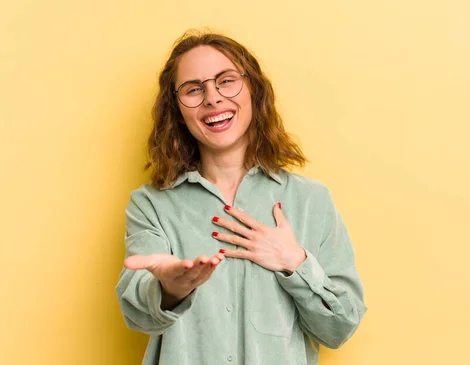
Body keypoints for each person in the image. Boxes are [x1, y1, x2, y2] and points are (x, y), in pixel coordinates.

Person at [116, 30, 367, 365]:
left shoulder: (311, 200)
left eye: (226, 81)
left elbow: (340, 328)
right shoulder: (151, 205)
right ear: (176, 111)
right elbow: (138, 316)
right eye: (193, 89)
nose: (212, 99)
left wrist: (295, 263)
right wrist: (169, 290)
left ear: (254, 92)